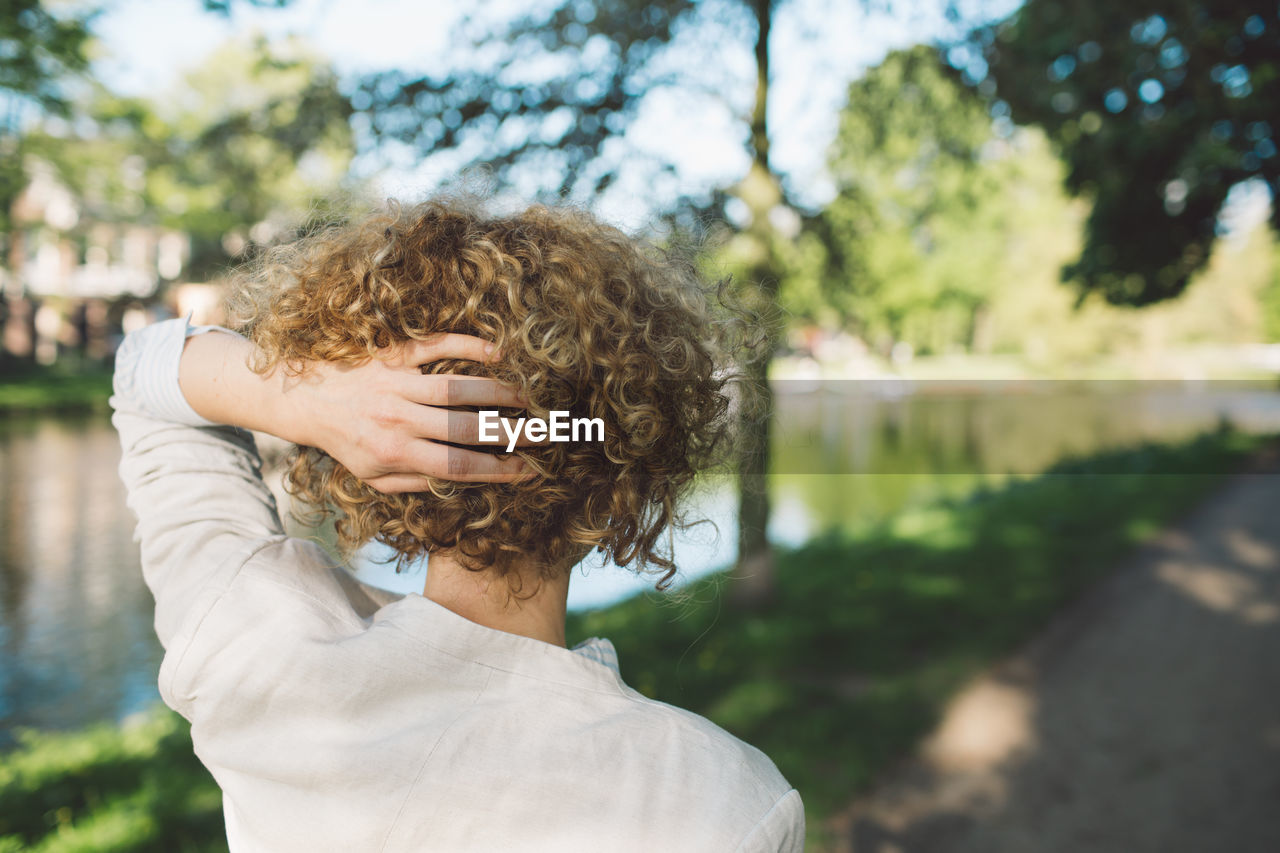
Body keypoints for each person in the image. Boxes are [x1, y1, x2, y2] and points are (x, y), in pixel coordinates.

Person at [111, 199, 804, 852]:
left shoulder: (250, 647)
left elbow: (146, 374)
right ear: (621, 484)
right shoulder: (725, 803)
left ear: (368, 467)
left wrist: (320, 400)